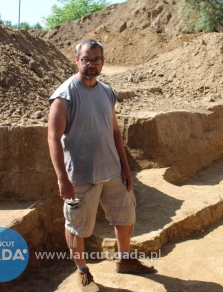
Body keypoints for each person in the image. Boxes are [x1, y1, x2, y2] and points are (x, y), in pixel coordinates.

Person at [47, 39, 155, 291]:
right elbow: (53, 137)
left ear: (103, 62)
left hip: (113, 172)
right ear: (77, 60)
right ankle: (82, 271)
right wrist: (62, 179)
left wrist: (126, 169)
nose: (92, 64)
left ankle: (125, 260)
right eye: (86, 59)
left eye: (97, 59)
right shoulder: (65, 95)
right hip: (81, 177)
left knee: (125, 217)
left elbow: (115, 133)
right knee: (76, 226)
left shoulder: (107, 92)